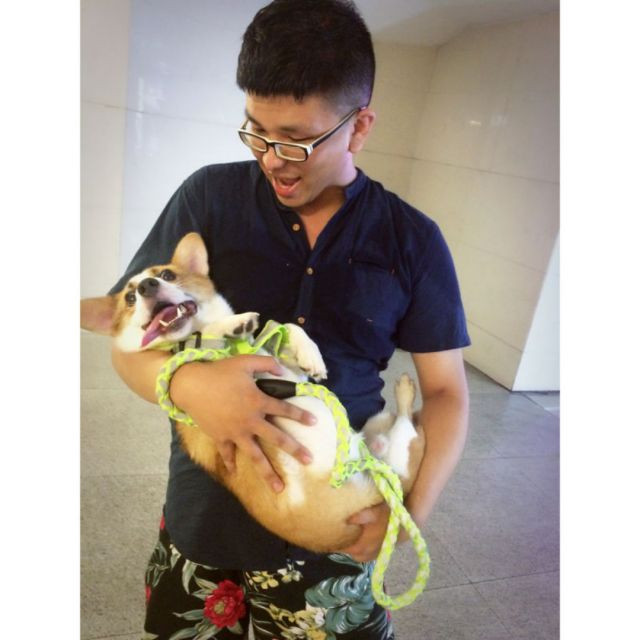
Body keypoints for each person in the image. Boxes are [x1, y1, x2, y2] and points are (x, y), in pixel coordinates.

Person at [109, 1, 470, 638]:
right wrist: (189, 385)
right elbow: (126, 342)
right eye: (256, 131)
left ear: (359, 127)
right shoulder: (208, 197)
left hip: (337, 529)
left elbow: (444, 392)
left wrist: (408, 512)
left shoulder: (413, 240)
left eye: (297, 140)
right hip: (205, 518)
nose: (273, 158)